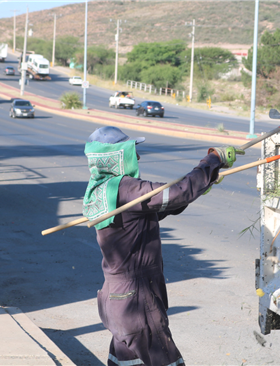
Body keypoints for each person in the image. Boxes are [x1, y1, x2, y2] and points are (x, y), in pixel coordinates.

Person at [83, 126, 243, 366]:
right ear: (116, 157)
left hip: (117, 299)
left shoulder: (101, 191)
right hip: (137, 301)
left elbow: (161, 208)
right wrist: (213, 159)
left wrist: (202, 184)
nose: (137, 157)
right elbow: (176, 193)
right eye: (131, 151)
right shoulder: (126, 188)